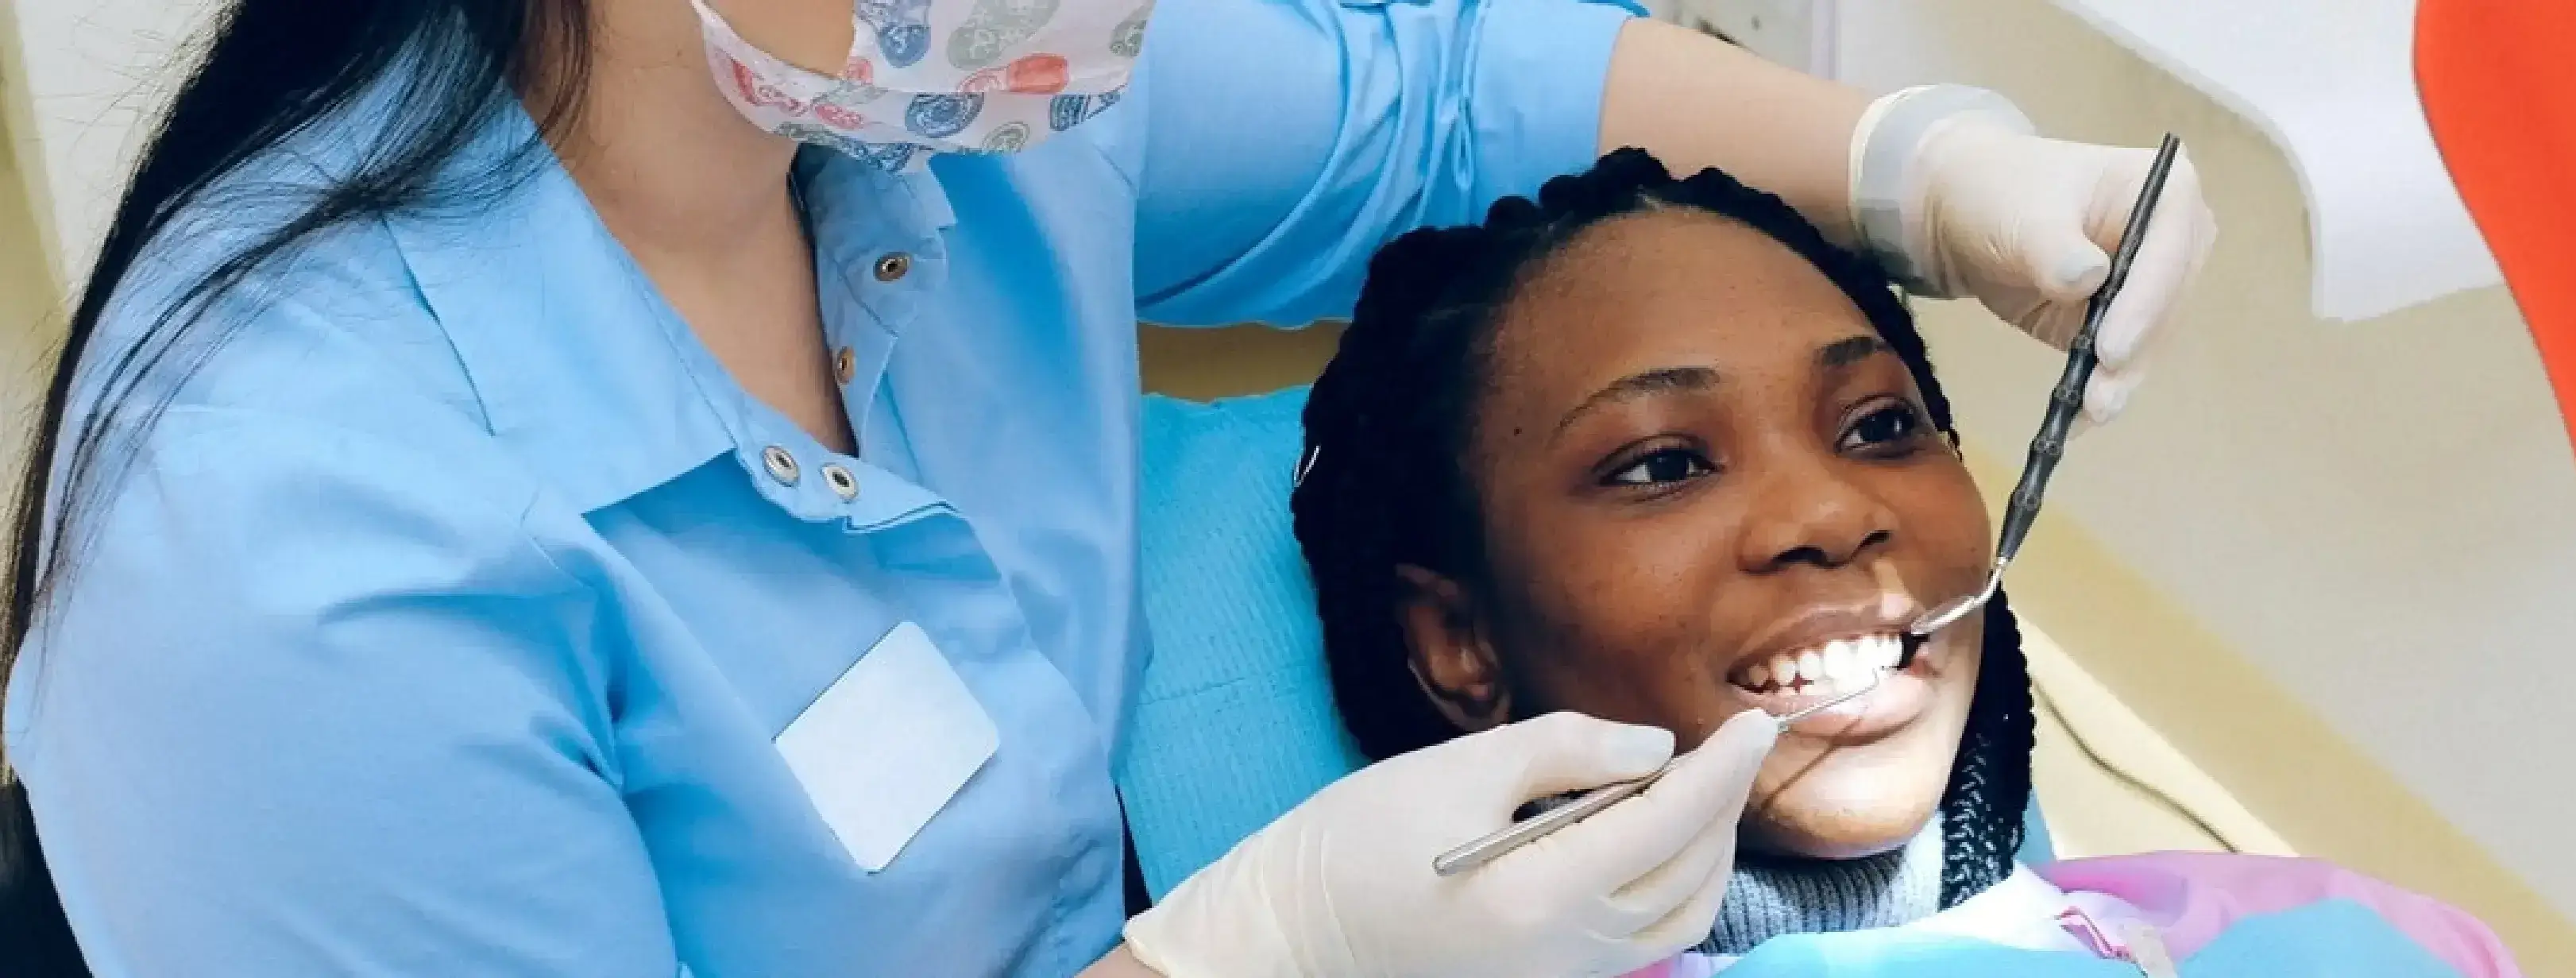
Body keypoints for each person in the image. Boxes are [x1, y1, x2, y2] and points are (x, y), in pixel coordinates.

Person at [0, 2, 2220, 976]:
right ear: (1443, 632)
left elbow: (1436, 96)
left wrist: (1920, 169)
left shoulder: (960, 94)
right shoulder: (288, 554)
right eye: (1656, 453)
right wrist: (1254, 954)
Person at [1283, 148, 2520, 974]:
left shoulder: (2330, 937)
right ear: (1459, 643)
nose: (1831, 509)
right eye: (1662, 463)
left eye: (1879, 426)